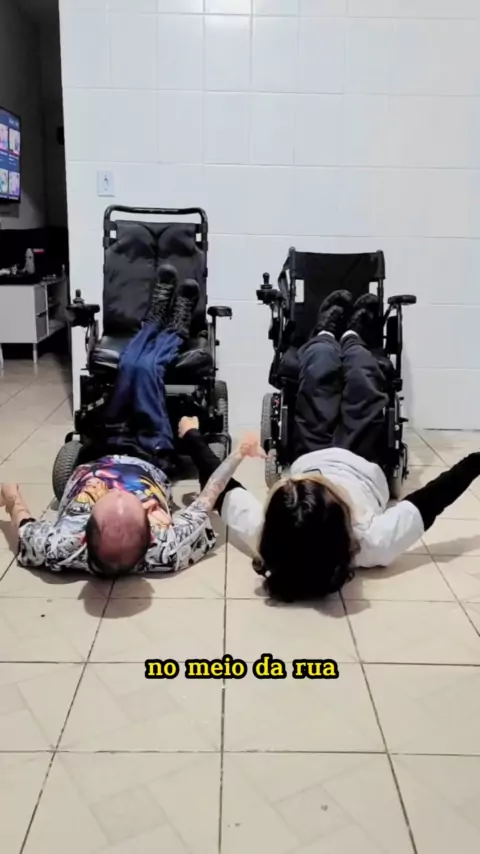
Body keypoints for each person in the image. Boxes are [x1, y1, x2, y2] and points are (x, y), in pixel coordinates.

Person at [213, 290, 480, 601]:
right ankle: (353, 335)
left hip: (310, 450)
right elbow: (432, 499)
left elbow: (221, 488)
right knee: (364, 375)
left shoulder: (275, 536)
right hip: (362, 458)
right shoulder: (372, 542)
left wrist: (191, 435)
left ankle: (326, 333)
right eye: (317, 487)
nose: (318, 479)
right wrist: (476, 460)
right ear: (344, 527)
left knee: (318, 367)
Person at [0, 266, 264, 578]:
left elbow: (25, 526)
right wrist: (234, 454)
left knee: (128, 366)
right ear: (149, 530)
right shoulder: (165, 549)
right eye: (133, 500)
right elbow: (210, 497)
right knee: (146, 370)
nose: (118, 489)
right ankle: (175, 329)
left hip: (101, 446)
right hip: (150, 451)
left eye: (106, 496)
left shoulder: (61, 545)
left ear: (86, 530)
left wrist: (11, 496)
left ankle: (154, 321)